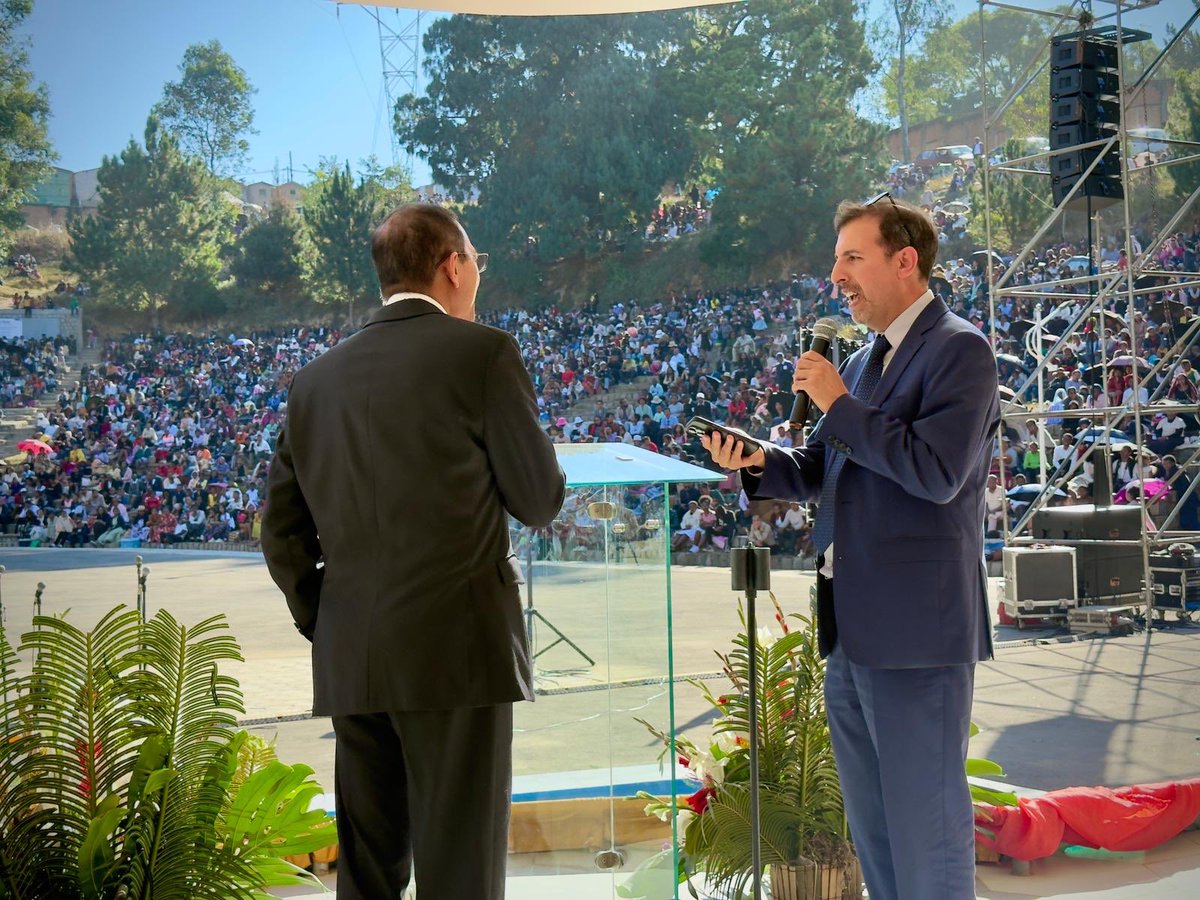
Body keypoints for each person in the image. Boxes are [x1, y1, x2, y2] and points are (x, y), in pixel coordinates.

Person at [261, 203, 565, 900]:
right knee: (460, 870)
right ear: (453, 266)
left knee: (368, 872)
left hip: (356, 657)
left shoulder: (314, 382)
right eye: (476, 263)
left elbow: (280, 530)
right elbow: (539, 499)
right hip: (458, 656)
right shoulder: (483, 353)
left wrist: (329, 615)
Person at [700, 194, 999, 900]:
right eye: (836, 259)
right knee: (876, 834)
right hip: (852, 632)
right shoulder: (865, 362)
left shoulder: (960, 348)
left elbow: (935, 471)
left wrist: (838, 404)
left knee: (928, 832)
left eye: (852, 257)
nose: (837, 274)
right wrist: (753, 461)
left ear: (905, 261)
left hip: (918, 634)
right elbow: (820, 469)